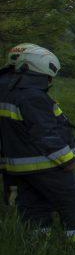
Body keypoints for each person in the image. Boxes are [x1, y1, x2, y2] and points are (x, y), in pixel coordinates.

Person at [0, 45, 75, 248]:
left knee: (33, 205)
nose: (50, 82)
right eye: (48, 77)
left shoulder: (7, 90)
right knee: (74, 200)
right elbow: (45, 132)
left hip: (17, 165)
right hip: (44, 164)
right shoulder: (31, 96)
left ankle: (39, 244)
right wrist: (66, 159)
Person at [1, 43, 41, 207]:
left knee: (11, 181)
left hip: (7, 145)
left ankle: (12, 209)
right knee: (27, 188)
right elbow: (39, 122)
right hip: (22, 147)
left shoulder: (5, 79)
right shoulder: (25, 85)